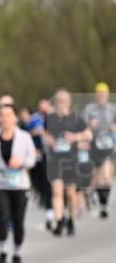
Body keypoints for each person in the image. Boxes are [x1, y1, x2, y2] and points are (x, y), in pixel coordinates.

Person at [0, 104, 36, 263]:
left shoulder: (24, 137)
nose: (5, 118)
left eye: (8, 115)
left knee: (18, 221)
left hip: (19, 184)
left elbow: (32, 160)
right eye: (2, 115)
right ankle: (3, 250)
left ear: (15, 118)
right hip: (0, 184)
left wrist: (20, 163)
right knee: (3, 218)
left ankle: (17, 253)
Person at [43, 88, 91, 237]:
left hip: (71, 161)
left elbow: (89, 135)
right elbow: (44, 132)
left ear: (69, 103)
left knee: (70, 194)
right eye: (58, 101)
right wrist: (48, 139)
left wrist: (76, 137)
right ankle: (59, 220)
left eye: (64, 101)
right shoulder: (49, 118)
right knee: (57, 191)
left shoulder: (76, 119)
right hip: (55, 160)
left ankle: (70, 218)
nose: (61, 104)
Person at [84, 82, 115, 219]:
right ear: (96, 94)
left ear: (107, 95)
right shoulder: (90, 109)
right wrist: (89, 125)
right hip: (93, 144)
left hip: (108, 143)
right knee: (96, 176)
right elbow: (82, 124)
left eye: (104, 93)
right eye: (99, 93)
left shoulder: (112, 109)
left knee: (107, 174)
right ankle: (96, 195)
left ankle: (104, 203)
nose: (102, 96)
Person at [27, 98, 53, 225]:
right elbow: (27, 133)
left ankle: (50, 204)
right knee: (39, 176)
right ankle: (40, 195)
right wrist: (35, 133)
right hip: (37, 152)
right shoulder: (34, 118)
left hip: (53, 154)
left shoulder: (54, 117)